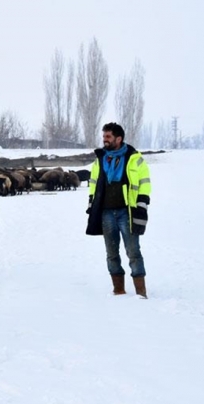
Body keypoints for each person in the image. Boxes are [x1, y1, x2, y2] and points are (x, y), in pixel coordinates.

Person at [86, 122, 152, 298]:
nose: (104, 140)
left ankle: (140, 292)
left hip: (127, 212)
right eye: (104, 136)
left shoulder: (134, 158)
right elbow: (93, 183)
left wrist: (142, 204)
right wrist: (91, 203)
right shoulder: (100, 159)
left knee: (133, 251)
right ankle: (119, 290)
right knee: (111, 253)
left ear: (118, 138)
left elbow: (145, 182)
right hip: (106, 213)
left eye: (108, 137)